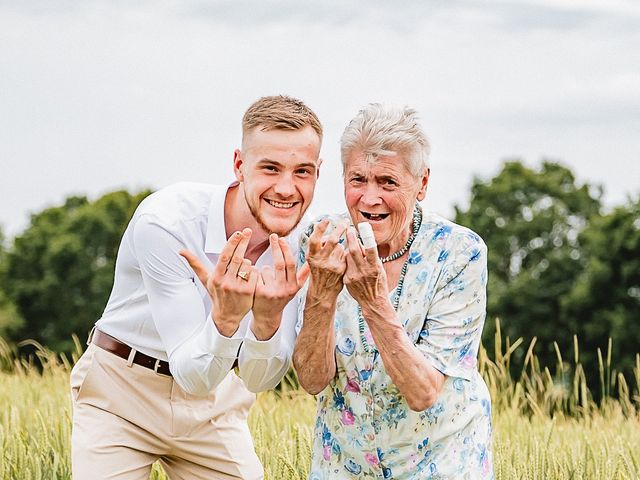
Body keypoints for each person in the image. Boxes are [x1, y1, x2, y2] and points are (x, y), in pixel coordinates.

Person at [70, 95, 323, 480]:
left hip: (214, 406)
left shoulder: (302, 248)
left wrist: (267, 322)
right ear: (240, 165)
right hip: (120, 391)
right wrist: (225, 318)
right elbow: (191, 373)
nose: (287, 189)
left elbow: (258, 380)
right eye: (270, 168)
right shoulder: (167, 222)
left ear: (318, 172)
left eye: (302, 171)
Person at [293, 104, 493, 479]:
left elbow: (423, 392)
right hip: (344, 461)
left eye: (387, 182)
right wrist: (322, 292)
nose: (370, 199)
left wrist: (372, 300)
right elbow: (312, 380)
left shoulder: (459, 254)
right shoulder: (320, 241)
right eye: (357, 180)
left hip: (440, 460)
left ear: (422, 183)